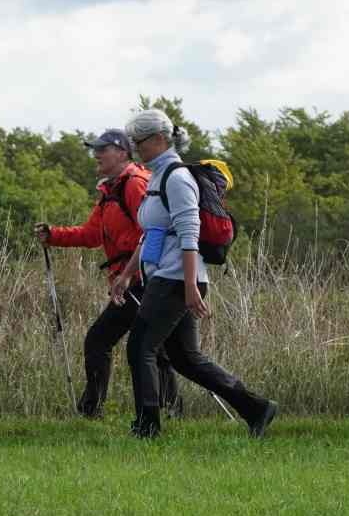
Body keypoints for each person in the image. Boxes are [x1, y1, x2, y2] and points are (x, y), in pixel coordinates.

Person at [109, 109, 278, 440]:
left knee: (140, 347)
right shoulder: (157, 176)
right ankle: (256, 409)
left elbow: (189, 232)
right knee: (185, 359)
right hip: (169, 278)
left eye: (139, 142)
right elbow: (153, 233)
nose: (134, 148)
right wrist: (128, 273)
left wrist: (189, 285)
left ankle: (147, 427)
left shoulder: (177, 177)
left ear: (160, 139)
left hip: (177, 280)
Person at [33, 129, 178, 417]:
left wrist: (130, 274)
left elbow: (153, 233)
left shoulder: (135, 185)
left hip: (143, 279)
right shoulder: (110, 191)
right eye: (94, 149)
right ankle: (168, 409)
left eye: (103, 149)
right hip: (130, 281)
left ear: (123, 153)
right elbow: (90, 234)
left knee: (109, 341)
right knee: (151, 346)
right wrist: (54, 235)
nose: (96, 154)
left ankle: (96, 410)